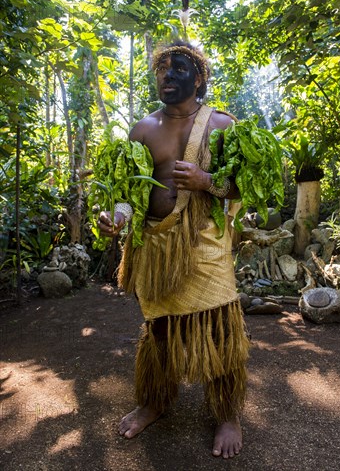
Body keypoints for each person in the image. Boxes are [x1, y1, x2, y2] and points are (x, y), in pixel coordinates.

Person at [98, 40, 250, 459]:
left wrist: (207, 181)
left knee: (219, 328)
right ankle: (155, 400)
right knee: (160, 329)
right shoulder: (143, 129)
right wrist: (118, 218)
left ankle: (226, 413)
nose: (167, 76)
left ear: (198, 77)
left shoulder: (221, 125)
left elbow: (241, 187)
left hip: (204, 243)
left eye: (178, 69)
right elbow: (129, 193)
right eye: (162, 69)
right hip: (156, 249)